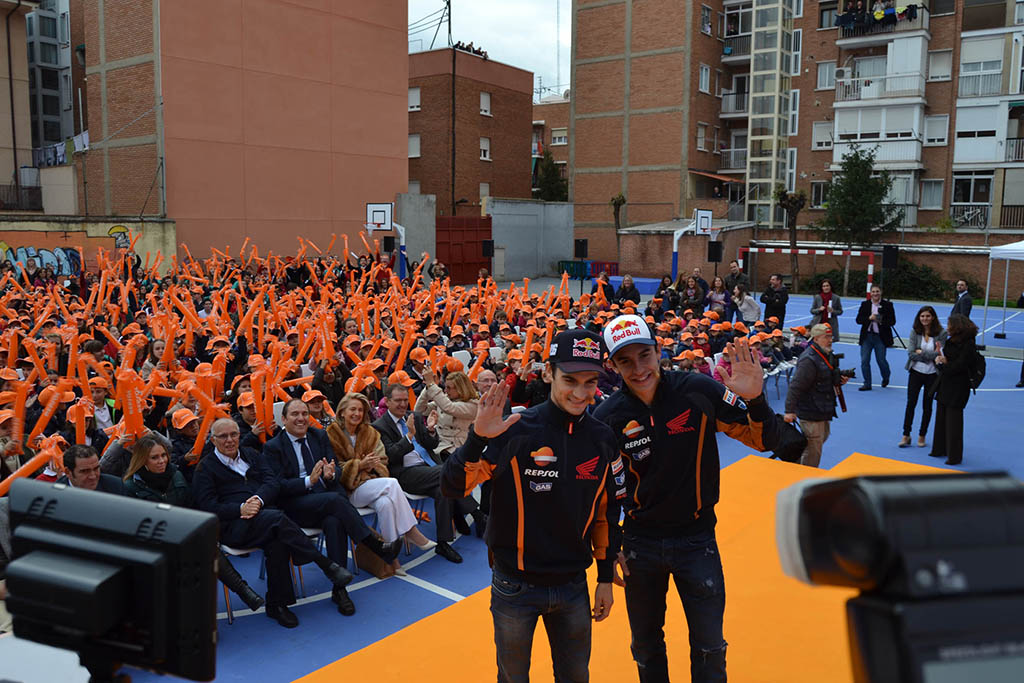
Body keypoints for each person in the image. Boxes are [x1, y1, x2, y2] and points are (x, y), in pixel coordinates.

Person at [595, 314, 782, 682]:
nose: (638, 368)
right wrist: (608, 549)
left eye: (644, 356)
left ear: (659, 350)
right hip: (639, 547)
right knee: (646, 647)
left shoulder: (698, 390)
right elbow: (605, 494)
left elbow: (766, 441)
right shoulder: (606, 419)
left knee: (710, 647)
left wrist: (757, 400)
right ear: (612, 365)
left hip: (698, 542)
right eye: (625, 361)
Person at [441, 329, 619, 683]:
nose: (581, 393)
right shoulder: (516, 429)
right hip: (514, 588)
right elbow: (452, 487)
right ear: (548, 372)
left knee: (575, 678)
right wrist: (477, 438)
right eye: (570, 380)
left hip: (573, 586)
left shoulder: (602, 438)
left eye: (590, 382)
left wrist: (604, 578)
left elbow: (607, 512)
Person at [192, 418, 355, 628]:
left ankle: (277, 605)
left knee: (277, 541)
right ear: (213, 440)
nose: (230, 440)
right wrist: (240, 508)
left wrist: (258, 501)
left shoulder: (251, 455)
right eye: (223, 436)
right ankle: (324, 564)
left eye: (234, 434)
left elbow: (272, 483)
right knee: (277, 520)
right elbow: (207, 506)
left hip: (264, 518)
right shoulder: (205, 468)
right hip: (233, 526)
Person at [261, 398, 401, 615]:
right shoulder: (272, 447)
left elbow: (334, 469)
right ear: (283, 419)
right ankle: (374, 544)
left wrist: (329, 474)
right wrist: (310, 481)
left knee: (335, 521)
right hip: (294, 506)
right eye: (295, 414)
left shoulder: (319, 436)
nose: (301, 418)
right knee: (336, 502)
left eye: (304, 414)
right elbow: (277, 486)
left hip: (323, 501)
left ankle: (340, 589)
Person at [123, 434, 265, 612]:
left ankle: (240, 593)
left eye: (163, 455)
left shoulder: (176, 476)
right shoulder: (131, 487)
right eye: (154, 457)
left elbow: (193, 507)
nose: (161, 461)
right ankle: (241, 591)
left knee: (206, 547)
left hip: (182, 534)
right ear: (143, 460)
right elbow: (136, 524)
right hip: (154, 542)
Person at [326, 392, 436, 575]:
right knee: (392, 484)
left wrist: (368, 467)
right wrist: (360, 465)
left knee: (385, 503)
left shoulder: (370, 432)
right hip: (348, 491)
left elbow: (382, 460)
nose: (357, 413)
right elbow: (334, 467)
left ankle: (392, 561)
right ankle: (410, 531)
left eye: (360, 410)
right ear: (342, 412)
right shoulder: (331, 435)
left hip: (372, 485)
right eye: (352, 409)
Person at [373, 383, 482, 564]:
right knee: (448, 471)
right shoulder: (379, 426)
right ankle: (476, 514)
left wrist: (431, 429)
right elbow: (390, 455)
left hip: (430, 467)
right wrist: (409, 436)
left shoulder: (414, 416)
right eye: (398, 401)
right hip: (404, 474)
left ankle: (443, 542)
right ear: (387, 401)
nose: (402, 404)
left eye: (405, 400)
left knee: (443, 488)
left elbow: (431, 445)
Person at [784, 324, 849, 468]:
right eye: (826, 337)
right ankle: (805, 477)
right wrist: (789, 410)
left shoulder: (825, 354)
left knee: (819, 440)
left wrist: (839, 380)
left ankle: (796, 466)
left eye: (830, 337)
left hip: (822, 409)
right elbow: (796, 386)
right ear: (817, 338)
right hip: (811, 410)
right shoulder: (809, 359)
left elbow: (826, 377)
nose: (830, 340)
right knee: (814, 450)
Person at [928, 314, 979, 466]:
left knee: (954, 422)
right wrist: (939, 360)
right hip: (946, 383)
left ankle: (954, 456)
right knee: (941, 417)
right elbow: (947, 359)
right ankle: (939, 449)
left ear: (957, 327)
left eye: (949, 325)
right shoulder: (951, 341)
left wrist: (944, 364)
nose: (947, 328)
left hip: (959, 386)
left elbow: (961, 365)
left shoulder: (969, 344)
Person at [900, 306, 946, 448]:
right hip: (915, 372)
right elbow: (911, 353)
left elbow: (940, 354)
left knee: (927, 406)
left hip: (932, 374)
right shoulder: (915, 332)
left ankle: (922, 435)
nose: (925, 319)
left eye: (927, 316)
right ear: (919, 318)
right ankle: (906, 435)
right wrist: (929, 355)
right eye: (922, 316)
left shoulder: (942, 333)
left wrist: (922, 353)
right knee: (911, 403)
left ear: (933, 317)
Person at [414, 368, 479, 460]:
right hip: (437, 445)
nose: (445, 390)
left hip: (456, 449)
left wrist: (432, 385)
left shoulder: (473, 405)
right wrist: (428, 387)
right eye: (445, 387)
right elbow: (419, 410)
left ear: (461, 388)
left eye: (449, 388)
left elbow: (449, 408)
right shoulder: (445, 399)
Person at [855, 284, 896, 391]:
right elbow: (858, 320)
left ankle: (886, 377)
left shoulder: (888, 305)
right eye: (873, 291)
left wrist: (880, 320)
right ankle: (867, 383)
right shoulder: (865, 304)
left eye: (877, 291)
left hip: (880, 337)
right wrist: (869, 318)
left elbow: (892, 321)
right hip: (867, 337)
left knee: (881, 360)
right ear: (870, 293)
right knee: (864, 360)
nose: (875, 294)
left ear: (881, 292)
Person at [56, 443, 125, 494]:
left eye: (96, 469)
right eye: (85, 471)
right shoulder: (56, 494)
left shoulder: (115, 487)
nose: (93, 476)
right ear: (68, 472)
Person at [809, 279, 843, 343]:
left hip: (830, 324)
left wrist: (833, 311)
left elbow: (840, 311)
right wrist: (819, 309)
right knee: (816, 342)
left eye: (827, 286)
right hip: (818, 323)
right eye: (824, 286)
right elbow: (812, 310)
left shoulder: (836, 298)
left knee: (828, 342)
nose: (825, 288)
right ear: (822, 288)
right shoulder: (817, 297)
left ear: (830, 287)